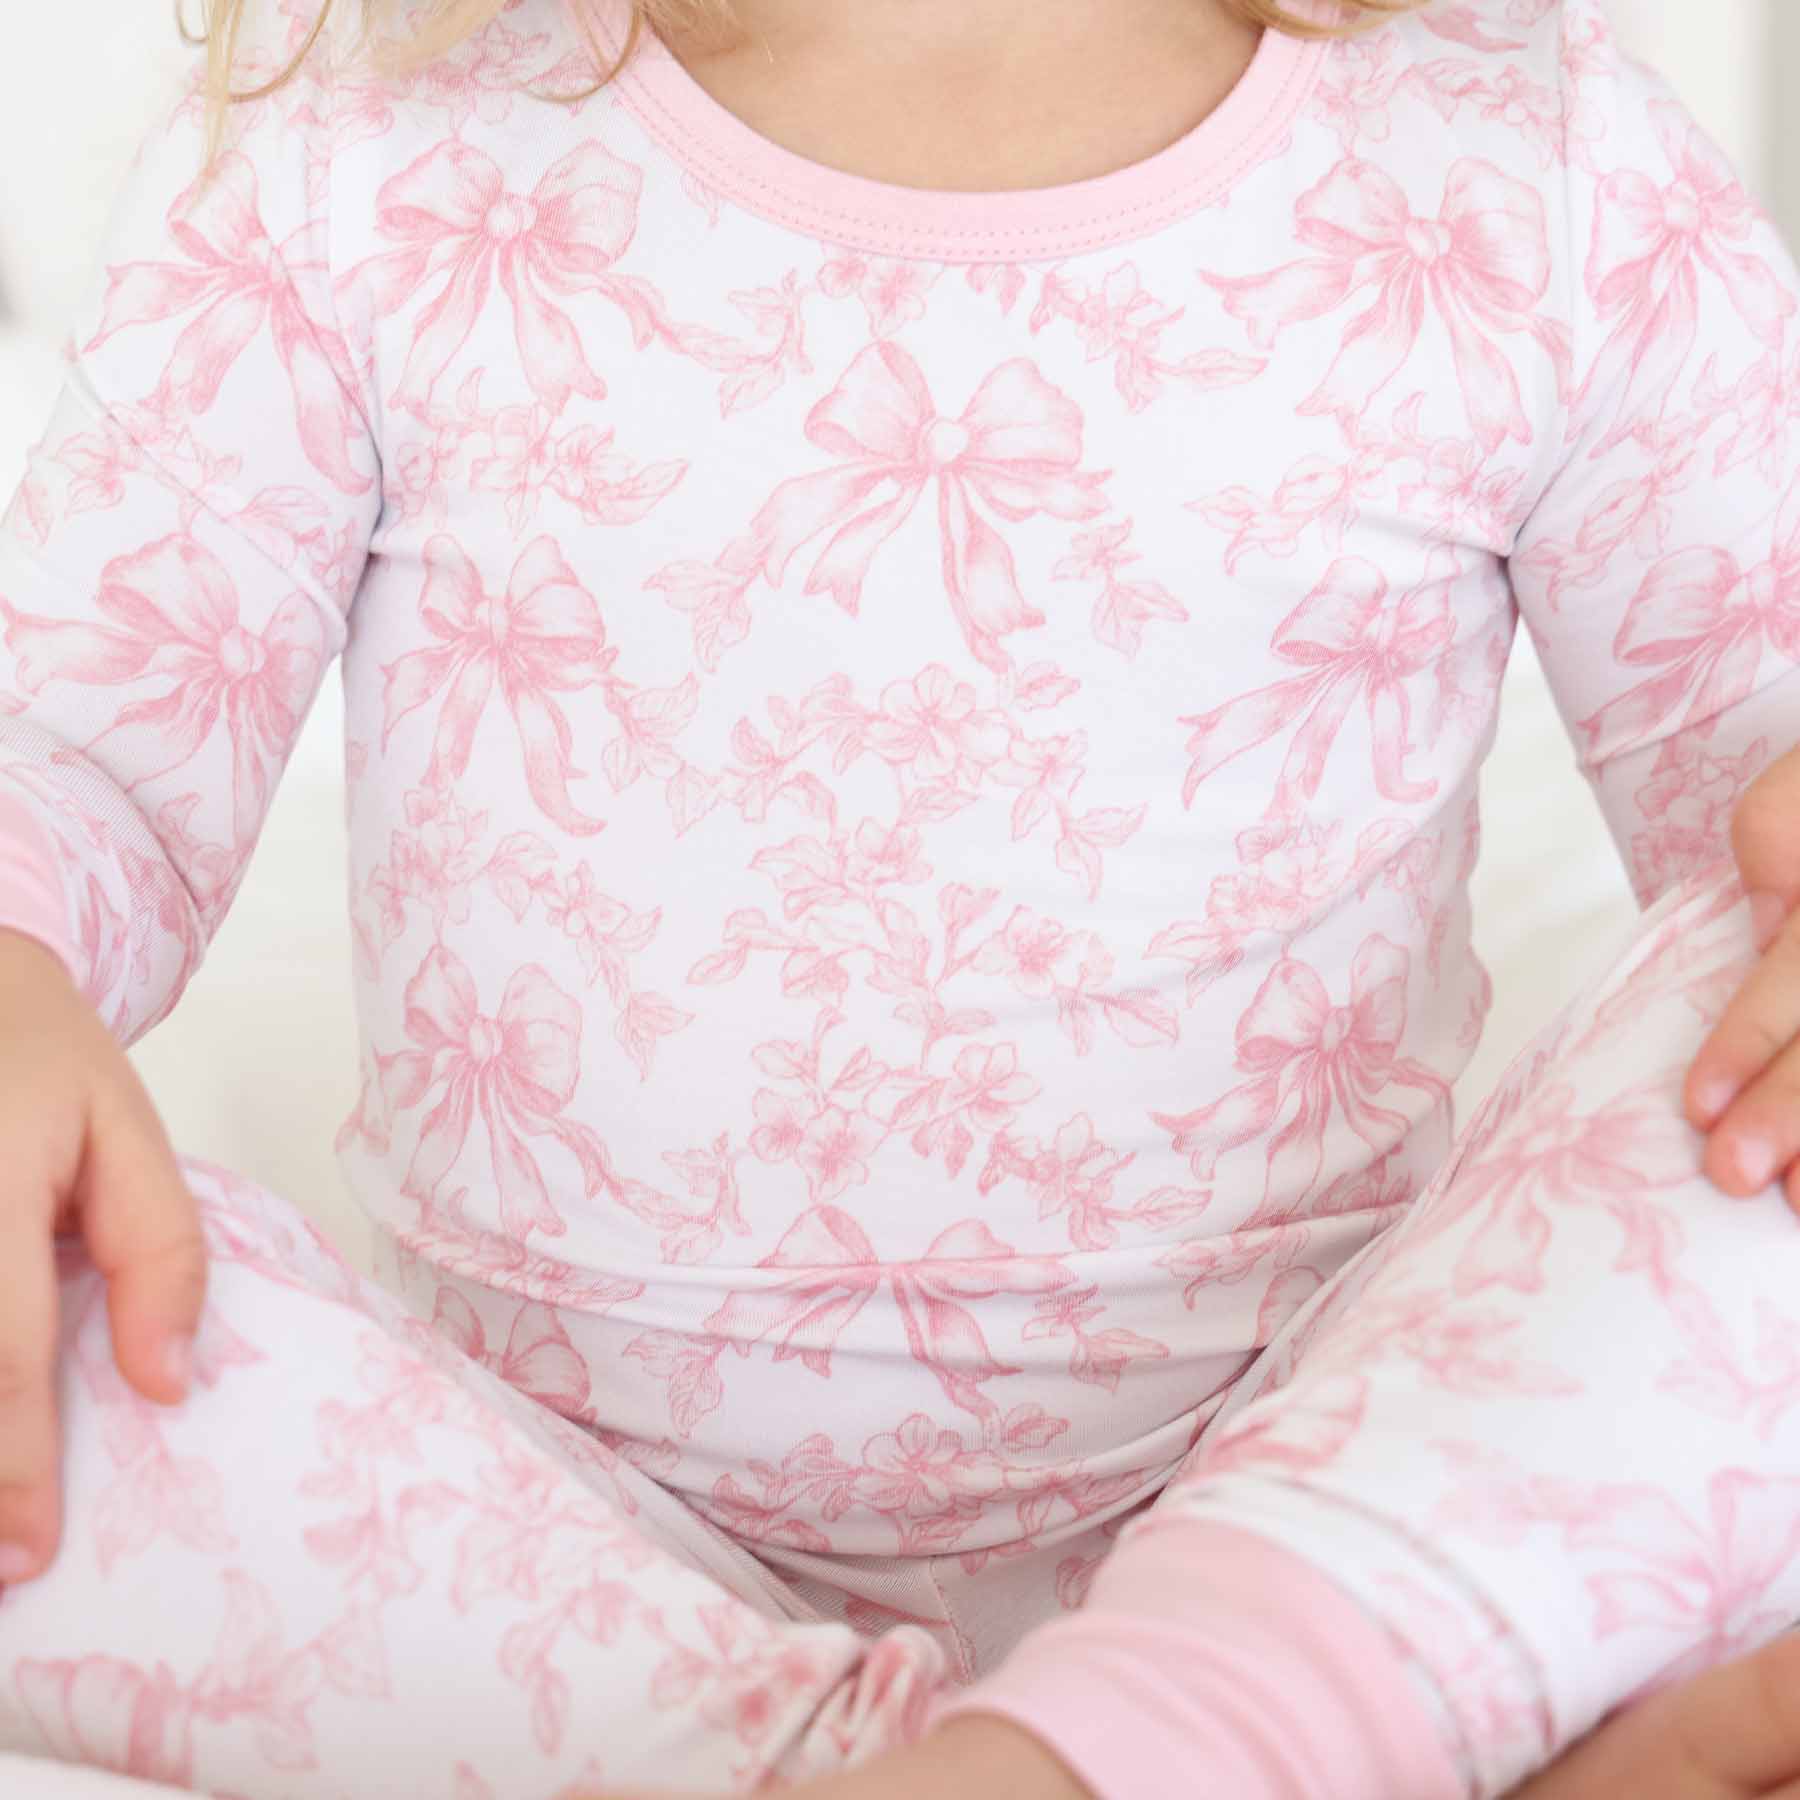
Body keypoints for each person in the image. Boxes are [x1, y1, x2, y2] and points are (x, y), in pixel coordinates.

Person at [2, 0, 1800, 1793]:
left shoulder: (1539, 159)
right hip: (540, 1548)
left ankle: (1219, 1702)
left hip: (1321, 1486)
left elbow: (1756, 807)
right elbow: (73, 746)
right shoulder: (356, 138)